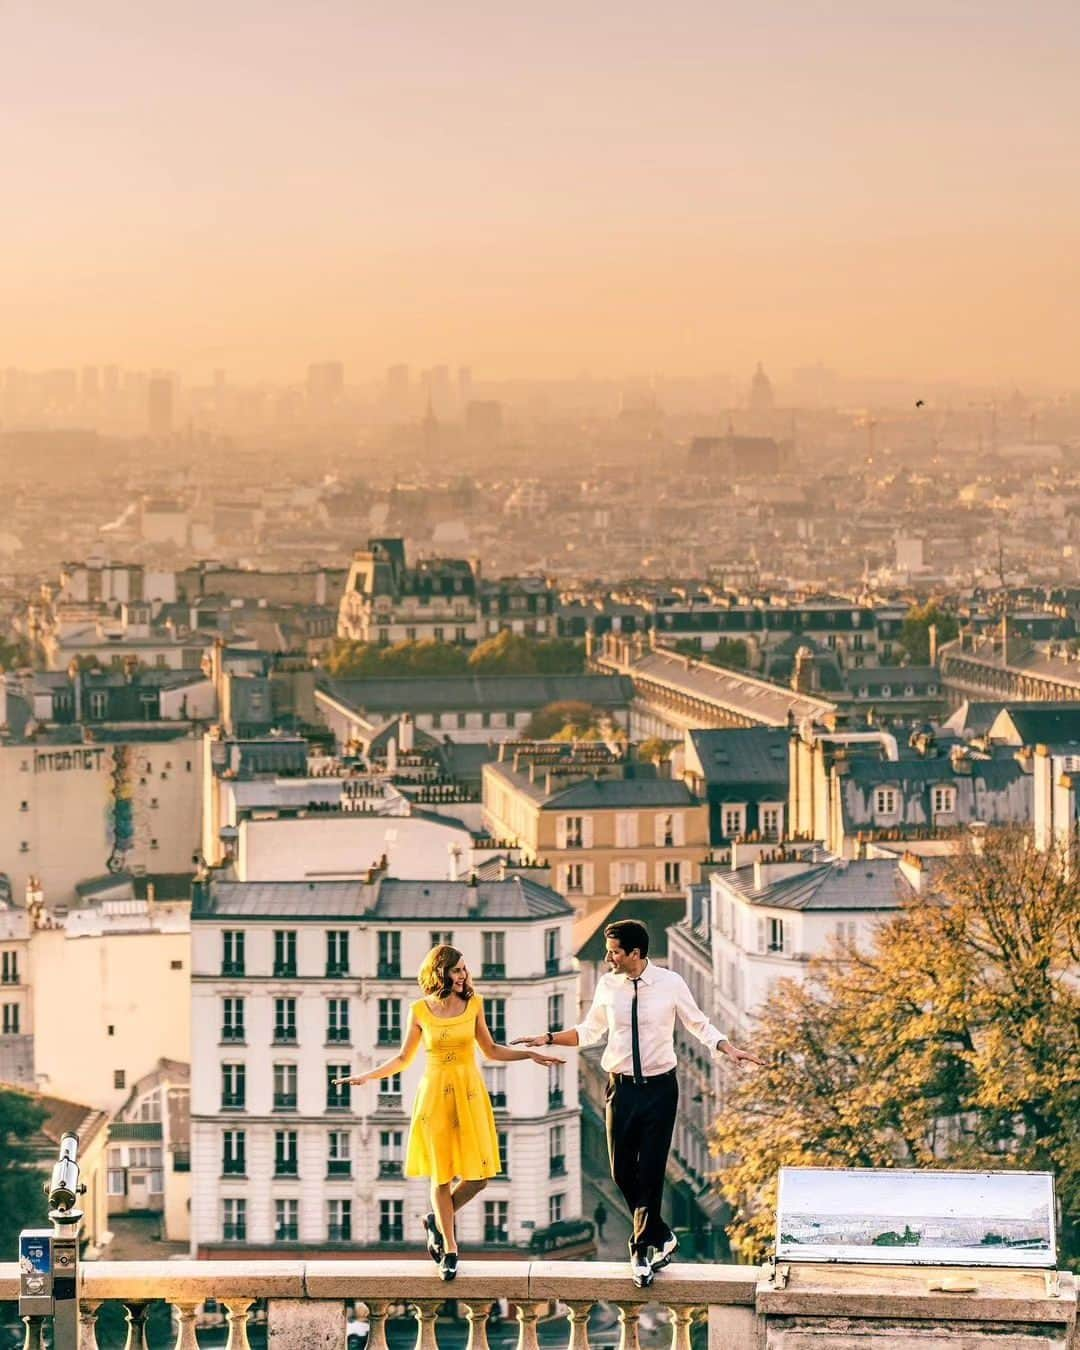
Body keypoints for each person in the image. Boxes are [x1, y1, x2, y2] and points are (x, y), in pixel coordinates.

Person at [514, 918, 761, 1288]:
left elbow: (699, 1024)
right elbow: (589, 1031)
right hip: (621, 1089)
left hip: (661, 1090)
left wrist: (729, 1049)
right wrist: (548, 1037)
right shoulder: (607, 985)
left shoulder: (670, 984)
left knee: (650, 1173)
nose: (608, 957)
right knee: (620, 1172)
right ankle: (661, 1233)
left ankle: (640, 1250)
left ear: (635, 953)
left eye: (614, 951)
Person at [336, 943, 562, 1281]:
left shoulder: (473, 1004)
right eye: (457, 970)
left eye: (464, 969)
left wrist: (529, 1055)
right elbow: (402, 1059)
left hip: (469, 1095)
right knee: (441, 1175)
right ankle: (451, 1250)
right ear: (440, 971)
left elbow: (490, 1050)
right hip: (435, 1097)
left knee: (479, 1177)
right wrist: (365, 1077)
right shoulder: (419, 1010)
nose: (464, 975)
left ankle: (434, 1220)